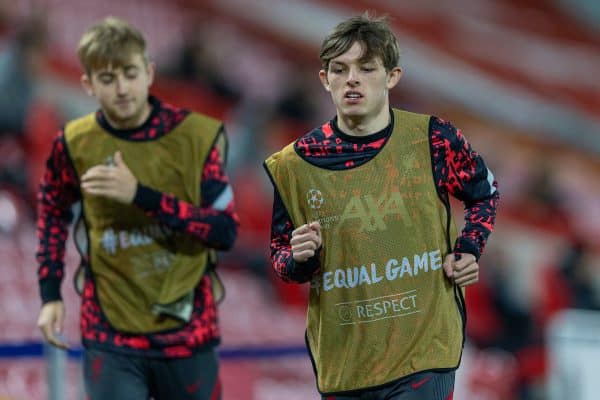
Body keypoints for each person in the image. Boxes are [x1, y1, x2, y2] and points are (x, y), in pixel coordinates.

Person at [264, 14, 499, 399]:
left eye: (366, 68)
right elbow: (280, 257)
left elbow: (484, 193)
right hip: (346, 362)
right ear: (325, 80)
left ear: (392, 76)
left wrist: (469, 248)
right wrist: (298, 258)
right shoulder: (295, 164)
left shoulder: (433, 139)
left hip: (425, 351)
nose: (352, 79)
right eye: (339, 69)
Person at [35, 17, 238, 400]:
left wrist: (141, 196)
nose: (122, 88)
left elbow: (224, 231)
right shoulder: (73, 145)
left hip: (187, 337)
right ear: (88, 85)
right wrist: (50, 295)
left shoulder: (194, 139)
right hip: (111, 338)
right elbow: (51, 217)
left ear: (149, 73)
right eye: (107, 79)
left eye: (130, 73)